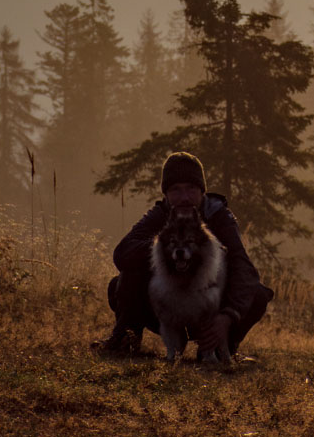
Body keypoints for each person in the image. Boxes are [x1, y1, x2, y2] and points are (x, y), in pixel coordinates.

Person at [94, 151, 274, 358]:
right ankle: (125, 339)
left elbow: (244, 269)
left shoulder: (219, 216)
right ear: (166, 195)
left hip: (210, 310)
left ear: (202, 191)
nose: (184, 197)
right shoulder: (161, 214)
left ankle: (222, 346)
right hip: (167, 310)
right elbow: (122, 254)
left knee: (258, 295)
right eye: (176, 190)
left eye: (191, 189)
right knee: (126, 278)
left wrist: (228, 316)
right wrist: (163, 246)